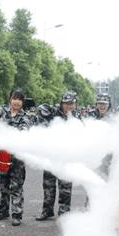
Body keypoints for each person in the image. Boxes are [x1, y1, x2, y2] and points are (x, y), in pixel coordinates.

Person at [0, 88, 33, 226]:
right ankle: (3, 211)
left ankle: (17, 214)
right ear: (10, 99)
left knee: (16, 186)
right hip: (3, 155)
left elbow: (24, 131)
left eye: (20, 99)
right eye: (15, 98)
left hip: (17, 158)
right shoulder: (2, 112)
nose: (17, 102)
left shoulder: (25, 117)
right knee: (3, 185)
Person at [36, 91, 79, 221]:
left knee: (65, 186)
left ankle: (64, 212)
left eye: (71, 104)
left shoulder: (77, 118)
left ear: (75, 104)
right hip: (51, 156)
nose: (69, 106)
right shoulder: (53, 113)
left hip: (67, 157)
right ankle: (47, 211)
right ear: (61, 103)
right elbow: (41, 109)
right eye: (66, 103)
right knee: (48, 185)